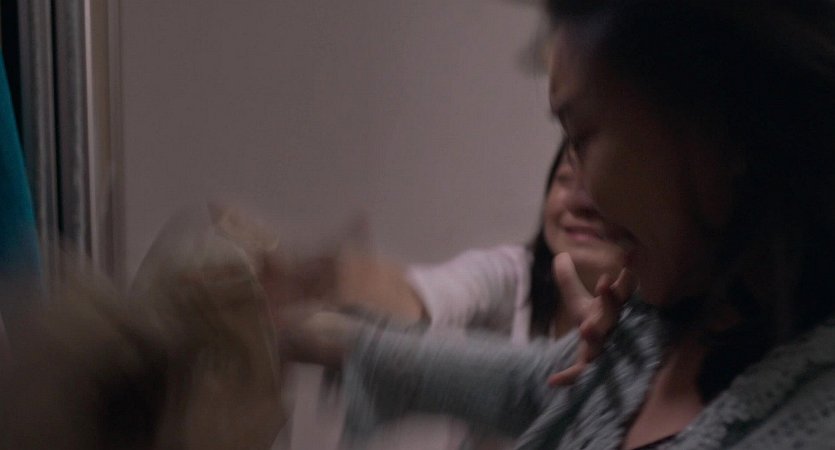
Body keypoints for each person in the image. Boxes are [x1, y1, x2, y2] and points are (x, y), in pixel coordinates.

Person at [281, 1, 835, 448]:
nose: (583, 193)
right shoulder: (657, 329)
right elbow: (532, 382)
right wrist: (314, 329)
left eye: (582, 134)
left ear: (717, 120)